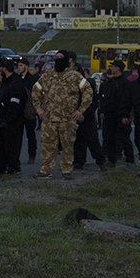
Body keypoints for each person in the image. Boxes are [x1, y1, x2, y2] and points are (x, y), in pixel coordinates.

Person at [32, 50, 92, 180]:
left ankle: (67, 170)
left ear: (66, 60)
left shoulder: (75, 76)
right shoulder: (46, 76)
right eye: (56, 57)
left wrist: (80, 110)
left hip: (68, 119)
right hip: (49, 119)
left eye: (61, 57)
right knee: (48, 146)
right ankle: (46, 170)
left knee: (67, 146)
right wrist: (39, 110)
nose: (58, 60)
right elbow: (35, 91)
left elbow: (88, 91)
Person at [0, 60, 27, 179]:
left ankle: (13, 169)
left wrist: (7, 119)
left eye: (1, 70)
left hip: (11, 123)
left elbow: (15, 103)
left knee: (11, 148)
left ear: (5, 69)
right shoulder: (6, 83)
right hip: (1, 122)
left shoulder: (15, 83)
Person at [99, 60, 135, 168]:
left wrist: (127, 115)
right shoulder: (109, 82)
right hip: (109, 115)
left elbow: (128, 100)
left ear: (118, 68)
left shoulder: (125, 82)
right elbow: (105, 98)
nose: (111, 68)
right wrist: (102, 111)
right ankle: (111, 159)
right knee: (109, 137)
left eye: (113, 66)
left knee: (123, 138)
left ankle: (130, 160)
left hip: (121, 115)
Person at [72, 65, 106, 171]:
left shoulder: (88, 84)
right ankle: (78, 161)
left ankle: (101, 161)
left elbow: (93, 101)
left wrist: (83, 114)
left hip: (88, 117)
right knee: (78, 141)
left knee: (93, 141)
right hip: (75, 117)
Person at [17, 59, 39, 164]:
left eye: (21, 65)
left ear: (26, 66)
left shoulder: (32, 79)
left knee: (31, 134)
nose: (19, 68)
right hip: (19, 111)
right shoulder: (17, 78)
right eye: (18, 66)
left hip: (29, 110)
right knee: (18, 135)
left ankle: (32, 154)